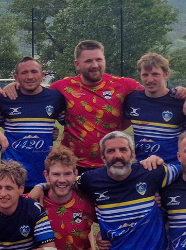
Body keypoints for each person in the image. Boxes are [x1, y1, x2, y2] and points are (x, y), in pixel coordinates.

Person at [9, 40, 143, 171]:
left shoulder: (125, 85)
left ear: (104, 60)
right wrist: (15, 85)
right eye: (88, 61)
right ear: (77, 64)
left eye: (99, 59)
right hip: (72, 165)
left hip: (111, 164)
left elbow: (153, 96)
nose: (95, 65)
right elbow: (37, 93)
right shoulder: (62, 87)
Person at [0, 57, 65, 189]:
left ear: (42, 75)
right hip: (12, 176)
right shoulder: (6, 99)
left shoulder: (55, 98)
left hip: (43, 175)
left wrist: (51, 133)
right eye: (24, 73)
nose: (29, 77)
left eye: (34, 71)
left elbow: (70, 124)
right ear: (16, 77)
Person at [124, 53, 186, 162]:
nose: (149, 80)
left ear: (166, 74)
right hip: (142, 164)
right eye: (145, 75)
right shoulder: (132, 99)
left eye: (155, 74)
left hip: (171, 164)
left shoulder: (179, 101)